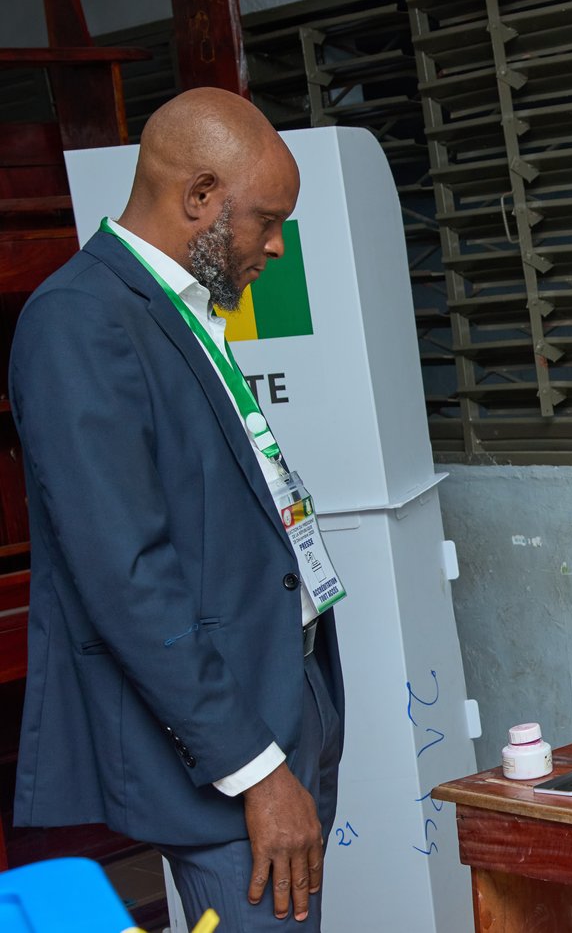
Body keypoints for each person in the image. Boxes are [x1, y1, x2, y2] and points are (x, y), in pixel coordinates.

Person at [10, 88, 346, 930]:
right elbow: (125, 576)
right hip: (227, 750)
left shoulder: (184, 308)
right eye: (265, 220)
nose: (276, 244)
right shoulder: (77, 324)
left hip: (281, 689)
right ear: (199, 197)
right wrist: (255, 769)